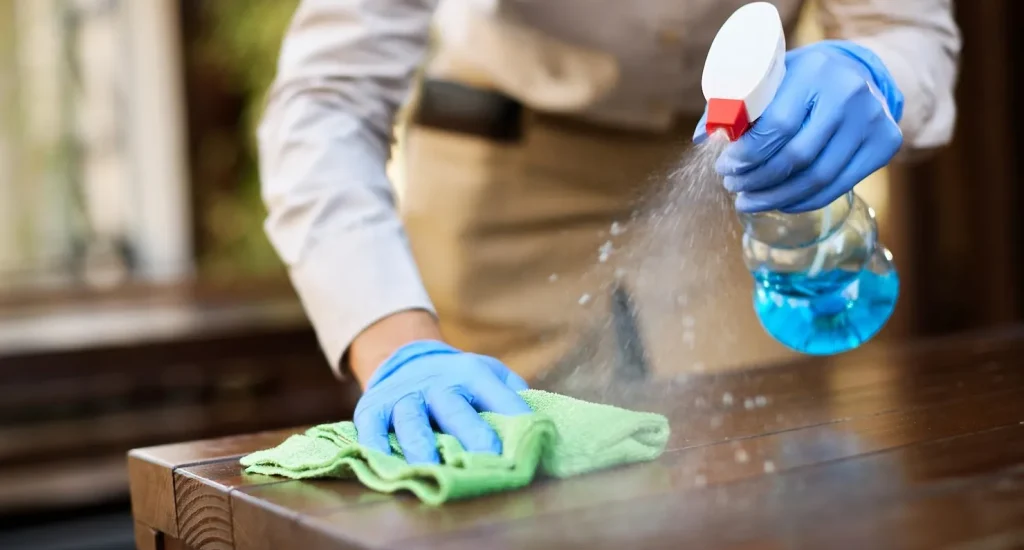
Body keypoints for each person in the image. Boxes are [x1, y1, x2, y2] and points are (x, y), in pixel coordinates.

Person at [258, 0, 960, 464]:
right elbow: (325, 104)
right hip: (503, 178)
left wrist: (877, 74)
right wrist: (398, 349)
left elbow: (905, 31)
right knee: (500, 471)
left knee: (764, 463)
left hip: (734, 174)